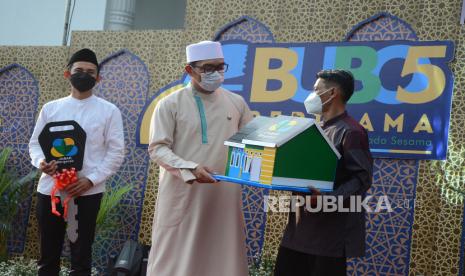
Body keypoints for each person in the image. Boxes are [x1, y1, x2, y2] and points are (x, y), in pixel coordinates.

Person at [146, 41, 253, 276]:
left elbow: (250, 146)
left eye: (220, 66)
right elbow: (157, 148)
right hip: (183, 194)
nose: (215, 73)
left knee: (223, 260)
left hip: (223, 198)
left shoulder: (237, 104)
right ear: (189, 70)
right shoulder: (169, 104)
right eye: (207, 68)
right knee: (176, 262)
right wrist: (190, 168)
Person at [28, 48, 125, 276]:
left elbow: (116, 152)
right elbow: (35, 144)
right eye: (79, 70)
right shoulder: (51, 108)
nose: (84, 75)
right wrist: (42, 162)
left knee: (81, 258)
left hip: (86, 194)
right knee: (47, 257)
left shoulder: (109, 111)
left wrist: (90, 180)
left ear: (98, 78)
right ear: (67, 74)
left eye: (90, 72)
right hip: (50, 190)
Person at [274, 69, 373, 276]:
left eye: (316, 90)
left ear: (333, 93)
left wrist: (328, 199)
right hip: (297, 232)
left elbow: (362, 179)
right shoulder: (315, 130)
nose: (311, 95)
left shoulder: (351, 131)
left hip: (328, 239)